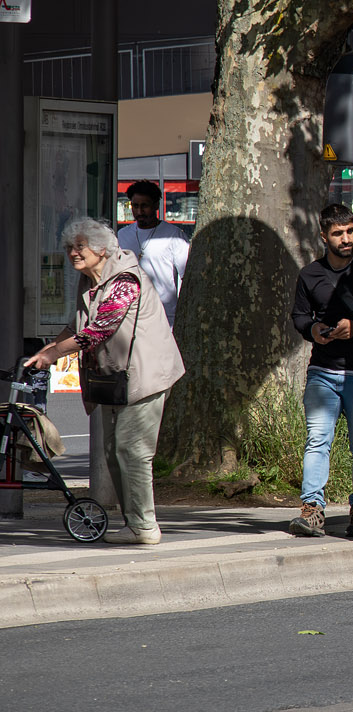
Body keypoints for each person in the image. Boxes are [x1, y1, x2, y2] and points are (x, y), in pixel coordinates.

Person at [24, 217, 184, 545]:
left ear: (101, 249)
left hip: (145, 374)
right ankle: (134, 522)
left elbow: (99, 330)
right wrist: (48, 348)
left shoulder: (125, 279)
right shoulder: (92, 281)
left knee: (132, 450)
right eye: (69, 247)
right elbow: (77, 324)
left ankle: (144, 526)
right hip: (117, 378)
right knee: (114, 451)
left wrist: (53, 356)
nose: (72, 253)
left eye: (79, 246)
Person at [289, 203, 353, 538]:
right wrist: (313, 330)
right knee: (318, 440)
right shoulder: (310, 275)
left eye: (350, 231)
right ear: (323, 236)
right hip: (323, 370)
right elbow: (300, 316)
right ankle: (311, 509)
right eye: (338, 233)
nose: (346, 239)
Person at [117, 180, 191, 328]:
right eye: (135, 206)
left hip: (164, 319)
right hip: (129, 317)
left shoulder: (173, 236)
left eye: (144, 206)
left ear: (156, 205)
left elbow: (187, 277)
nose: (139, 212)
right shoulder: (122, 235)